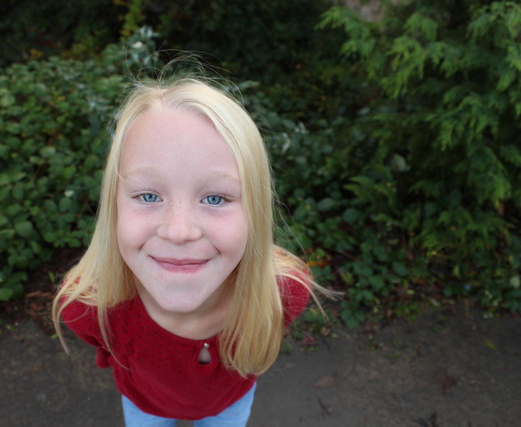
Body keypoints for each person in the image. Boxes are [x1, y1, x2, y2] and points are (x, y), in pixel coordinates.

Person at [52, 77, 333, 426]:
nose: (179, 232)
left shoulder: (282, 291)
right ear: (113, 210)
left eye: (215, 198)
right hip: (145, 406)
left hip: (230, 406)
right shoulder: (90, 307)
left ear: (255, 214)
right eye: (149, 196)